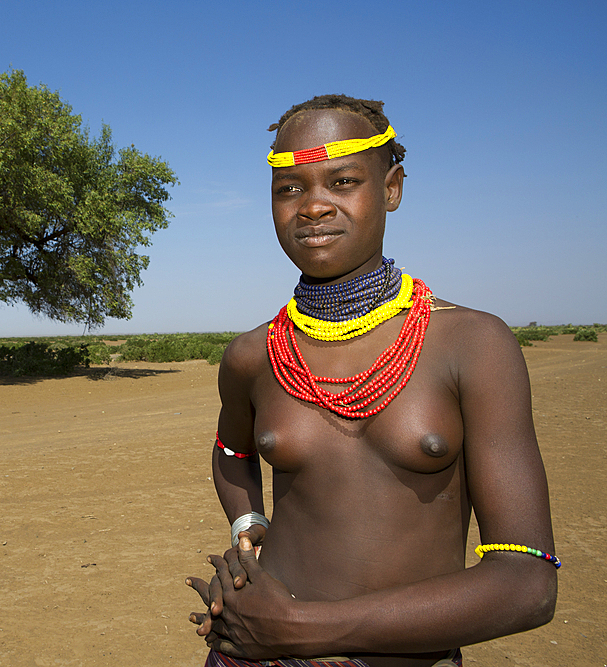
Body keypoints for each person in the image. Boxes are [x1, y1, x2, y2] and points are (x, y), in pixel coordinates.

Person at [185, 95, 558, 667]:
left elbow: (527, 582)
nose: (312, 206)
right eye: (289, 188)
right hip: (251, 654)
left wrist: (303, 628)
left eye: (341, 182)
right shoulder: (252, 356)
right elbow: (231, 448)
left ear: (392, 189)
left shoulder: (473, 345)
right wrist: (248, 521)